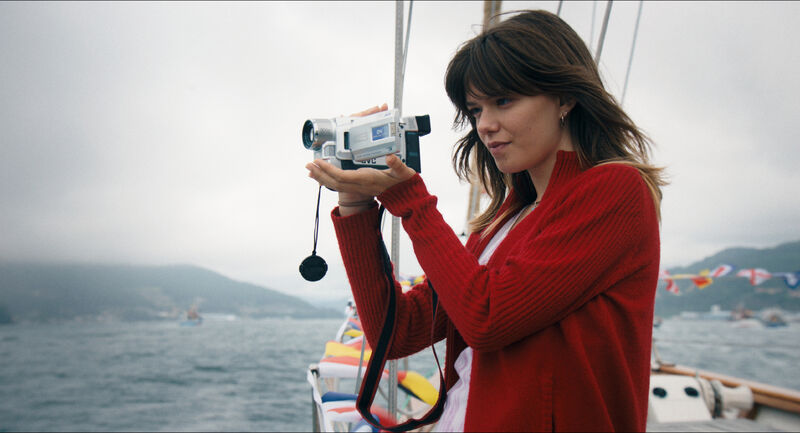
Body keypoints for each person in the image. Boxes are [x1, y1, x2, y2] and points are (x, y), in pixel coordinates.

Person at [305, 9, 664, 432]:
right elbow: (399, 331)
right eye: (475, 110)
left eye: (504, 101)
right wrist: (356, 204)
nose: (486, 125)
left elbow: (488, 318)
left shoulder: (616, 190)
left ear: (565, 97)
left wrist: (411, 201)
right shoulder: (504, 221)